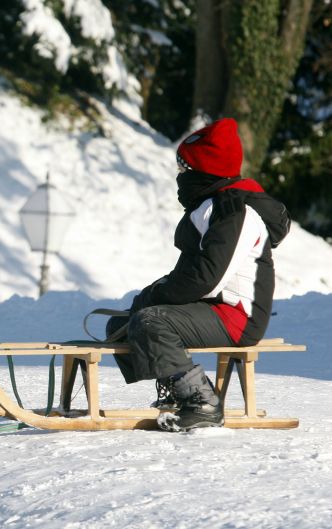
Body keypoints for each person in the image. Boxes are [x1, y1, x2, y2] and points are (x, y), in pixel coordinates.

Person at [106, 118, 290, 432]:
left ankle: (201, 402)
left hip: (237, 315)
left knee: (150, 321)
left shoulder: (233, 211)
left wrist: (155, 296)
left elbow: (207, 277)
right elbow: (193, 275)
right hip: (212, 306)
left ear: (203, 170)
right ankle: (177, 391)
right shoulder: (213, 206)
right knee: (120, 324)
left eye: (184, 170)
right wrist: (153, 293)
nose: (179, 177)